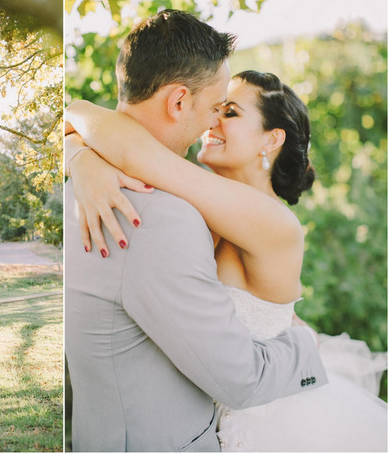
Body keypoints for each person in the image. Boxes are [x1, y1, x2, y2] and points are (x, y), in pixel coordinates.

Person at [65, 70, 387, 450]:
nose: (210, 120)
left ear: (271, 139)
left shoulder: (272, 221)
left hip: (269, 421)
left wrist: (79, 154)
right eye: (215, 108)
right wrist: (80, 156)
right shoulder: (203, 202)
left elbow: (130, 149)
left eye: (229, 112)